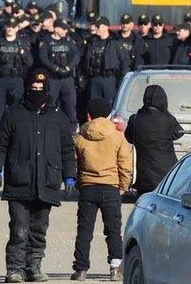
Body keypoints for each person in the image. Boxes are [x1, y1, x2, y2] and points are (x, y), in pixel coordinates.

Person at [0, 70, 76, 283]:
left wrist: (70, 176)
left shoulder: (58, 117)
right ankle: (14, 269)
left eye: (40, 89)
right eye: (33, 89)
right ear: (27, 89)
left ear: (46, 90)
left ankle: (33, 267)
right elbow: (0, 144)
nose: (36, 92)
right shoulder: (13, 114)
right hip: (19, 181)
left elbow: (66, 149)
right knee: (19, 228)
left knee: (39, 229)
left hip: (47, 181)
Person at [70, 97, 132, 282]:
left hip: (88, 187)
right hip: (110, 187)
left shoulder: (80, 136)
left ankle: (81, 269)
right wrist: (122, 186)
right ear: (108, 114)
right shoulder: (117, 136)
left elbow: (75, 163)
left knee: (84, 230)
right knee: (113, 230)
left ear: (90, 114)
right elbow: (125, 165)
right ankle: (115, 268)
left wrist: (80, 183)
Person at [124, 85, 184, 195]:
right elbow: (179, 133)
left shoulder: (135, 118)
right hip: (166, 174)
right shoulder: (168, 119)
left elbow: (128, 137)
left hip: (144, 176)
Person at [0, 18, 33, 135]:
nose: (10, 29)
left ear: (17, 28)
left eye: (13, 26)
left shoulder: (22, 43)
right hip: (0, 78)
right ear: (5, 28)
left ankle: (16, 131)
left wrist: (24, 54)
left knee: (17, 106)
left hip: (16, 79)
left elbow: (29, 62)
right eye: (8, 26)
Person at [82, 17, 130, 113]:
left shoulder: (116, 42)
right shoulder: (91, 42)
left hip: (109, 80)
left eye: (98, 26)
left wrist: (121, 81)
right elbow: (85, 61)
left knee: (109, 107)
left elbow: (125, 62)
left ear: (105, 27)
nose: (96, 28)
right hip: (94, 79)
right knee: (93, 107)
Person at [39, 20, 81, 126]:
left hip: (67, 79)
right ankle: (46, 125)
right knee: (49, 103)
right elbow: (43, 58)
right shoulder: (46, 41)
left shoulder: (69, 40)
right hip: (53, 78)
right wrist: (56, 68)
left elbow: (76, 56)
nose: (66, 31)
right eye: (64, 29)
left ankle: (71, 128)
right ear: (57, 29)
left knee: (70, 104)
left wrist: (68, 68)